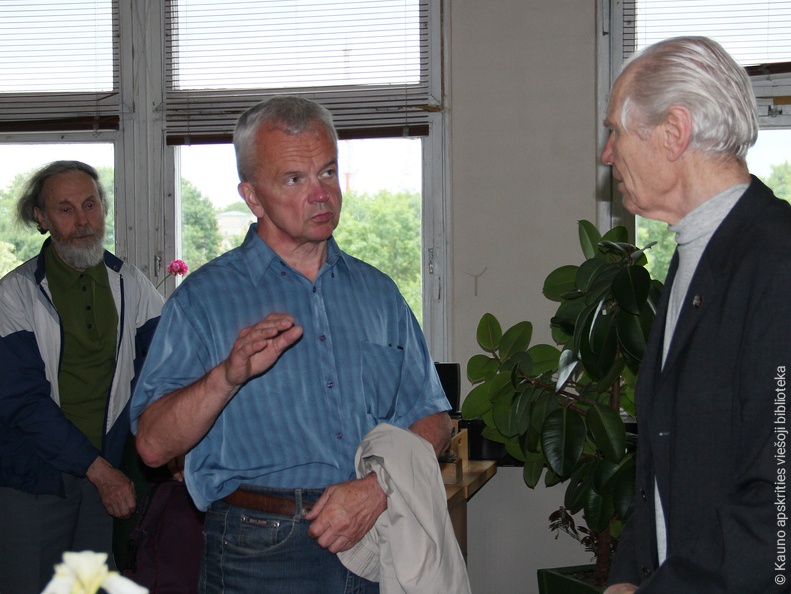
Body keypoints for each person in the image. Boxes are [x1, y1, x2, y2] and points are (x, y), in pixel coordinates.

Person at [130, 96, 454, 594]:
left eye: (328, 172)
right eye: (294, 180)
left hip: (375, 533)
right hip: (259, 550)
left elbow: (433, 419)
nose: (321, 195)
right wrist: (226, 377)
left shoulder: (379, 294)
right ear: (253, 197)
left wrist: (377, 489)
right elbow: (153, 447)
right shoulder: (202, 301)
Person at [600, 37, 791, 593]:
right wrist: (629, 576)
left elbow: (777, 506)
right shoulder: (697, 254)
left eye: (615, 131)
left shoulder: (777, 262)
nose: (607, 154)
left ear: (674, 131)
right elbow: (663, 463)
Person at [0, 160, 163, 593]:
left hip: (107, 472)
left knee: (94, 586)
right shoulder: (14, 294)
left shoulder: (130, 283)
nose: (82, 221)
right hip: (34, 477)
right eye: (65, 209)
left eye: (90, 205)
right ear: (42, 218)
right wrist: (100, 471)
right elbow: (23, 403)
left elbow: (169, 364)